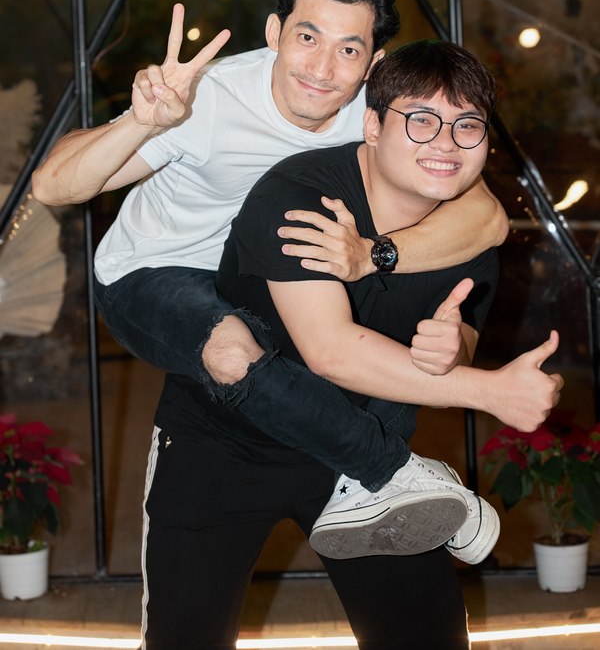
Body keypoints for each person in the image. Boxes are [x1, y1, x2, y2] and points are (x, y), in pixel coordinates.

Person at [140, 39, 562, 649]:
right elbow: (330, 352)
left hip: (361, 462)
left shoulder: (468, 235)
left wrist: (450, 354)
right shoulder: (300, 196)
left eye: (467, 125)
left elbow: (462, 342)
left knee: (428, 635)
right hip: (224, 444)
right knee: (185, 639)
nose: (445, 143)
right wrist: (490, 391)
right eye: (422, 120)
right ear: (372, 125)